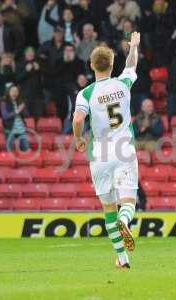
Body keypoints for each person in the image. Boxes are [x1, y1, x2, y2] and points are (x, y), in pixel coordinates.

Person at [73, 32, 141, 269]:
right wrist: (133, 47)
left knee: (108, 207)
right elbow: (131, 64)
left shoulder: (86, 93)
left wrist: (78, 138)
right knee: (128, 201)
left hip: (99, 154)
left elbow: (79, 118)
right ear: (112, 64)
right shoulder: (123, 83)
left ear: (91, 66)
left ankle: (122, 258)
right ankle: (126, 221)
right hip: (124, 149)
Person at [16, 46, 44, 119]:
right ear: (25, 54)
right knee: (27, 118)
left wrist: (39, 70)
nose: (30, 53)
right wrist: (26, 71)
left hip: (37, 96)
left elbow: (45, 79)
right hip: (25, 96)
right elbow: (17, 79)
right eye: (28, 52)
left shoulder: (38, 63)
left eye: (32, 52)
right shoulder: (20, 64)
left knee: (39, 117)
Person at [1, 85, 30, 152]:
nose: (15, 93)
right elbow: (5, 116)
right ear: (8, 92)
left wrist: (24, 108)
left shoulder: (19, 102)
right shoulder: (4, 102)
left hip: (21, 128)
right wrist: (17, 111)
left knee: (26, 149)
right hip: (10, 128)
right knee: (10, 150)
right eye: (13, 91)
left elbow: (27, 115)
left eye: (16, 91)